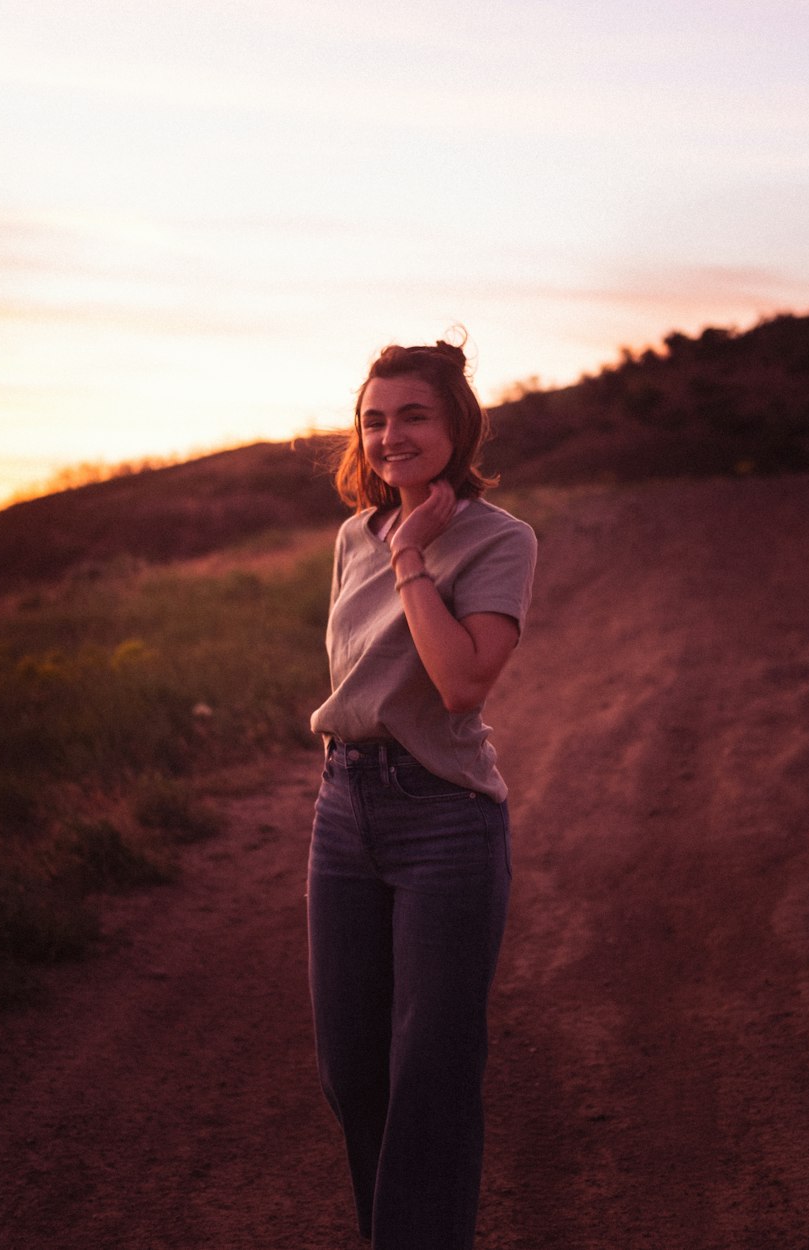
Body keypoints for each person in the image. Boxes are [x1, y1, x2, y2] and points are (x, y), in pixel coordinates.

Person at [307, 337, 538, 1250]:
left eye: (412, 416)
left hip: (444, 817)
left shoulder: (499, 538)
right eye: (373, 419)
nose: (389, 434)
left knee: (430, 1077)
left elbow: (462, 685)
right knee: (352, 1074)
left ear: (456, 425)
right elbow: (355, 678)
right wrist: (390, 543)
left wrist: (412, 559)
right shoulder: (349, 536)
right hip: (342, 807)